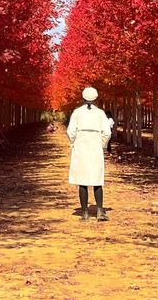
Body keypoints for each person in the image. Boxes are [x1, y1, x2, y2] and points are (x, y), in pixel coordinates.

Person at [66, 86, 110, 222]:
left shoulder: (77, 113)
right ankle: (100, 211)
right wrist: (102, 144)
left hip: (81, 146)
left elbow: (70, 131)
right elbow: (107, 132)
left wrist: (74, 142)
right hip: (95, 146)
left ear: (83, 98)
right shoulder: (101, 113)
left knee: (82, 180)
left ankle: (84, 213)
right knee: (97, 179)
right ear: (96, 98)